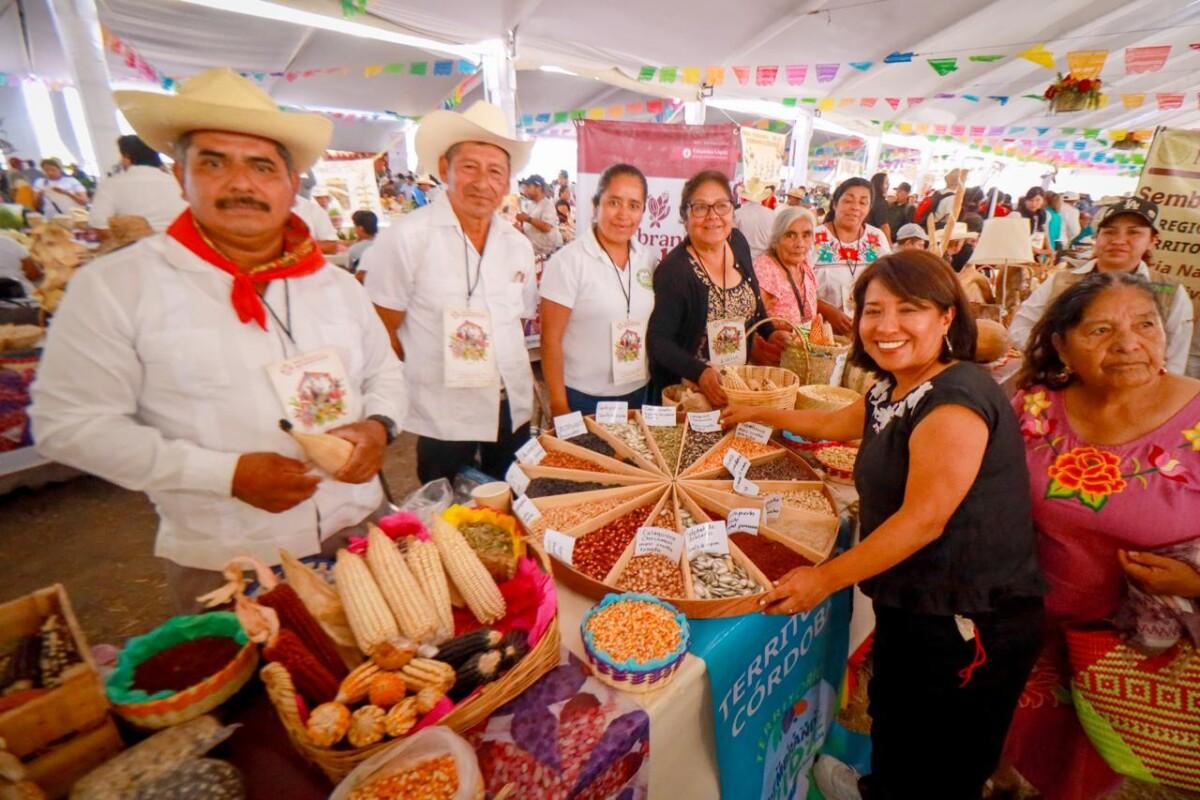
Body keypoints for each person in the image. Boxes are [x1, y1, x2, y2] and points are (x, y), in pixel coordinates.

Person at [29, 68, 406, 611]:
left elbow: (385, 372)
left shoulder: (336, 286)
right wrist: (223, 475)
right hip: (232, 559)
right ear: (180, 178)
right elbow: (67, 425)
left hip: (359, 528)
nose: (241, 183)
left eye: (261, 166)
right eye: (214, 163)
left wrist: (378, 425)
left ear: (291, 182)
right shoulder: (117, 287)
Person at [722, 249, 1045, 799]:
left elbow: (922, 522)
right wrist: (759, 413)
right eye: (873, 311)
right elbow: (832, 422)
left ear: (947, 317)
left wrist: (823, 579)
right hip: (914, 597)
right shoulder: (893, 386)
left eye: (908, 309)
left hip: (968, 613)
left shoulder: (955, 401)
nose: (886, 326)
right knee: (897, 715)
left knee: (943, 753)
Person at [1003, 272, 1200, 800]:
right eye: (1101, 330)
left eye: (1145, 325)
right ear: (1062, 345)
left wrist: (1193, 581)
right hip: (1028, 627)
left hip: (1135, 649)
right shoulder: (1036, 405)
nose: (1128, 343)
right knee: (1013, 743)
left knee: (1086, 768)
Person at [363, 101, 537, 483]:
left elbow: (519, 318)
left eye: (495, 171)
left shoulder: (518, 245)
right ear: (445, 169)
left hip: (511, 404)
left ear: (507, 182)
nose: (482, 182)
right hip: (444, 412)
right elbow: (380, 329)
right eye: (469, 167)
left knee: (511, 496)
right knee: (445, 503)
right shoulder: (407, 238)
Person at [646, 170, 790, 407]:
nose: (713, 216)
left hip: (738, 387)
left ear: (732, 211)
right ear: (685, 217)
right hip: (693, 397)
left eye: (722, 206)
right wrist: (699, 372)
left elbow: (753, 298)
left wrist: (769, 331)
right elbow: (658, 341)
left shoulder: (738, 242)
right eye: (700, 207)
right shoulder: (674, 271)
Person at [1010, 197, 1194, 375]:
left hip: (1136, 389)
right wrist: (1057, 357)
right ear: (1097, 237)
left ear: (1152, 240)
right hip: (1062, 384)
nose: (1118, 240)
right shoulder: (1063, 280)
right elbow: (1021, 325)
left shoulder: (1170, 291)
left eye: (1133, 232)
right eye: (1110, 232)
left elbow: (1176, 358)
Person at [540, 163, 656, 416]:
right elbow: (550, 340)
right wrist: (559, 404)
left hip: (638, 390)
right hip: (582, 397)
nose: (623, 214)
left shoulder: (647, 259)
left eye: (634, 205)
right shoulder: (568, 262)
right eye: (614, 202)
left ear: (642, 212)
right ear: (595, 206)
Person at [811, 177, 891, 334]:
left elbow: (889, 281)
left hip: (866, 327)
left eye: (863, 202)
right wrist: (825, 310)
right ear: (835, 204)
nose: (855, 207)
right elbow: (795, 286)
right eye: (848, 201)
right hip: (820, 330)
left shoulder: (876, 238)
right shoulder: (814, 237)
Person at [88, 135, 187, 236]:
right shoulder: (178, 182)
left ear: (127, 158)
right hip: (183, 241)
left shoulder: (111, 185)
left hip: (136, 244)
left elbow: (100, 225)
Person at [751, 206, 819, 328]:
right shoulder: (764, 269)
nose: (800, 244)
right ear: (776, 239)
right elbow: (751, 321)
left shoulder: (805, 265)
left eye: (806, 235)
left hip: (804, 340)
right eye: (790, 235)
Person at [514, 174, 562, 258]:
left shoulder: (547, 205)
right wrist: (520, 229)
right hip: (532, 251)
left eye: (528, 187)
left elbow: (547, 227)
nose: (525, 190)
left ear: (538, 188)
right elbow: (529, 228)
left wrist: (528, 219)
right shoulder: (530, 204)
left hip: (546, 254)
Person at [735, 178, 776, 261]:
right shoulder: (772, 214)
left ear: (744, 197)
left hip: (742, 258)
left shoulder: (737, 214)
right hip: (765, 260)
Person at [347, 210, 377, 274]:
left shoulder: (354, 249)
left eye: (354, 225)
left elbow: (349, 269)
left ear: (360, 228)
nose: (354, 228)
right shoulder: (383, 242)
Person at [867, 172, 891, 242]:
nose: (888, 185)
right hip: (874, 238)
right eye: (886, 183)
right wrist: (889, 244)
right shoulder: (881, 203)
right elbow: (884, 226)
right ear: (879, 185)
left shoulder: (869, 198)